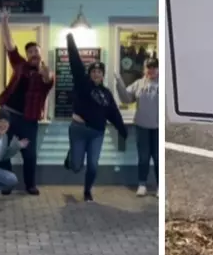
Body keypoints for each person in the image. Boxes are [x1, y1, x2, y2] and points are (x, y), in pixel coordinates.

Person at [63, 32, 127, 202]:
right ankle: (71, 158)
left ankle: (87, 191)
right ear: (90, 74)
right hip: (79, 130)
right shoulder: (82, 84)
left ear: (103, 75)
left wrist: (123, 130)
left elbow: (113, 113)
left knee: (93, 165)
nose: (97, 74)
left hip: (97, 133)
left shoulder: (106, 93)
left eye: (100, 72)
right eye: (94, 71)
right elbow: (75, 62)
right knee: (76, 167)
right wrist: (70, 40)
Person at [0, 8, 54, 195]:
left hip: (29, 119)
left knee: (29, 154)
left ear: (40, 53)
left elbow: (48, 80)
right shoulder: (20, 65)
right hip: (7, 113)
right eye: (30, 52)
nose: (32, 54)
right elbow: (9, 44)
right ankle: (7, 182)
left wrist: (44, 72)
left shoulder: (46, 72)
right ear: (27, 55)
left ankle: (30, 185)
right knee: (3, 150)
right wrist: (4, 22)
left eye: (35, 51)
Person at [115, 58, 159, 197]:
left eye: (154, 67)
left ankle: (160, 186)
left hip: (159, 128)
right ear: (144, 69)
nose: (151, 70)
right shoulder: (138, 84)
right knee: (143, 157)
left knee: (158, 158)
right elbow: (126, 99)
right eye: (148, 67)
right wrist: (119, 84)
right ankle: (142, 184)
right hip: (142, 126)